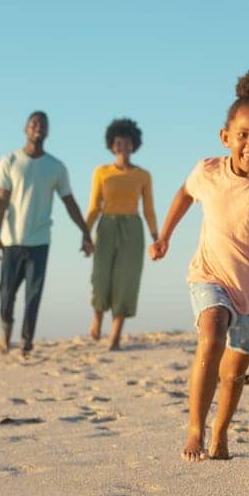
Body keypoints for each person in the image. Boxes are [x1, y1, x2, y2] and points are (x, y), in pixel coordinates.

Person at [150, 71, 249, 461]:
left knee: (233, 373)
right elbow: (184, 194)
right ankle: (195, 430)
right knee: (212, 333)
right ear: (226, 137)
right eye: (243, 135)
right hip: (211, 276)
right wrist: (165, 235)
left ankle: (220, 434)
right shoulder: (208, 172)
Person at [0, 112, 93, 356]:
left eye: (43, 125)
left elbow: (69, 202)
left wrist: (86, 232)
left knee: (33, 296)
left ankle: (26, 342)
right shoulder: (10, 161)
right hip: (12, 240)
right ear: (25, 129)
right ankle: (6, 332)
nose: (38, 128)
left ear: (47, 132)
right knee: (6, 293)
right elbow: (0, 202)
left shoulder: (55, 167)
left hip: (40, 241)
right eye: (34, 124)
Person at [85, 117, 158, 348]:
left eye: (126, 142)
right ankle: (97, 320)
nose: (122, 147)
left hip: (133, 230)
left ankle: (115, 337)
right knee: (100, 277)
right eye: (118, 142)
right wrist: (85, 233)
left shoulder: (143, 175)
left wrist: (157, 236)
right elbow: (94, 206)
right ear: (111, 144)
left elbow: (148, 209)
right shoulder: (102, 172)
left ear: (133, 144)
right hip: (106, 226)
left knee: (125, 281)